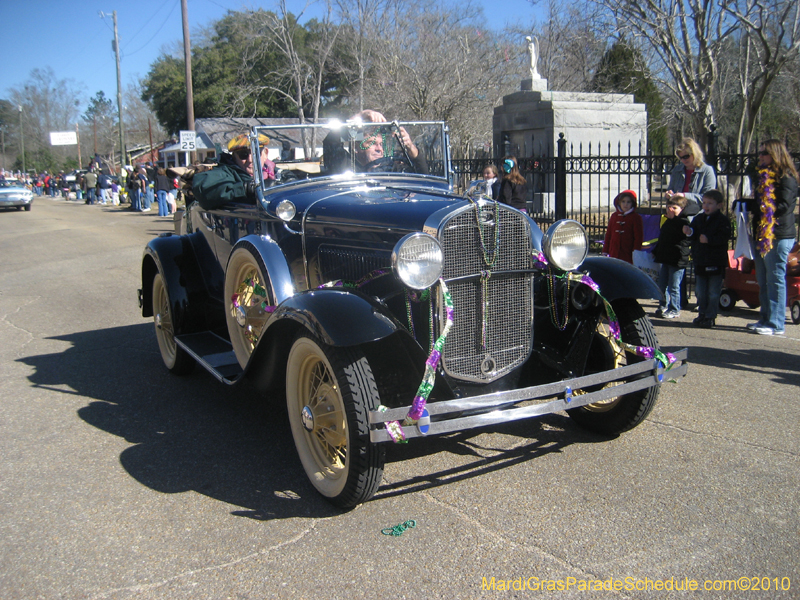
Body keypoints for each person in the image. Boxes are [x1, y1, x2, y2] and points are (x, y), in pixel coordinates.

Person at [742, 139, 798, 335]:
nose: (760, 157)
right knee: (763, 278)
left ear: (775, 154)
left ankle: (776, 323)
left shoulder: (787, 178)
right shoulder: (763, 177)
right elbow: (759, 203)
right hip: (762, 234)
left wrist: (764, 208)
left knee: (775, 278)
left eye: (764, 153)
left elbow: (785, 206)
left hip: (779, 235)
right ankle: (765, 318)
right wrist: (745, 205)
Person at [682, 190, 731, 328]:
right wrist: (689, 231)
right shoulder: (699, 219)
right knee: (700, 291)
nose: (706, 206)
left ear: (719, 205)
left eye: (710, 203)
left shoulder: (723, 221)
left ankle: (710, 316)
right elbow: (693, 232)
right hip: (700, 261)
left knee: (713, 292)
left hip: (715, 261)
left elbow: (724, 237)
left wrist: (709, 240)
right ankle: (702, 313)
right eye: (704, 203)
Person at [323, 110, 427, 174]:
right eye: (371, 143)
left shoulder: (391, 169)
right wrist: (360, 116)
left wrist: (411, 148)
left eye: (381, 144)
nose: (379, 149)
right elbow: (331, 142)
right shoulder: (345, 165)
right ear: (356, 148)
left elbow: (423, 177)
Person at [192, 132, 271, 210]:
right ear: (234, 157)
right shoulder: (225, 173)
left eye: (255, 153)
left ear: (265, 153)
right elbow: (204, 191)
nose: (250, 160)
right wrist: (245, 188)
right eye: (243, 155)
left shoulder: (275, 173)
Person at [652, 194, 691, 319]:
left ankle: (674, 309)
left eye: (674, 207)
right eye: (668, 207)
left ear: (681, 209)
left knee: (674, 286)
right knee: (662, 285)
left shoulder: (683, 222)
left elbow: (686, 240)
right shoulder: (667, 222)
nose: (670, 210)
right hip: (666, 258)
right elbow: (663, 240)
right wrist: (657, 251)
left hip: (677, 260)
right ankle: (663, 305)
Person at [665, 137, 716, 216]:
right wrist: (669, 195)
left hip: (698, 216)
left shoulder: (707, 170)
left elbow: (709, 198)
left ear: (694, 153)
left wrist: (685, 195)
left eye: (686, 156)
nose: (683, 160)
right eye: (681, 158)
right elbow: (671, 190)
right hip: (677, 215)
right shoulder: (677, 170)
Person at [603, 189, 643, 264]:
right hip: (614, 251)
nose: (625, 204)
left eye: (628, 202)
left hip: (628, 252)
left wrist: (635, 252)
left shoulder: (636, 218)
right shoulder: (614, 216)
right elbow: (609, 234)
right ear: (619, 202)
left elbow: (638, 237)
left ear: (632, 203)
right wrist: (605, 250)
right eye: (623, 201)